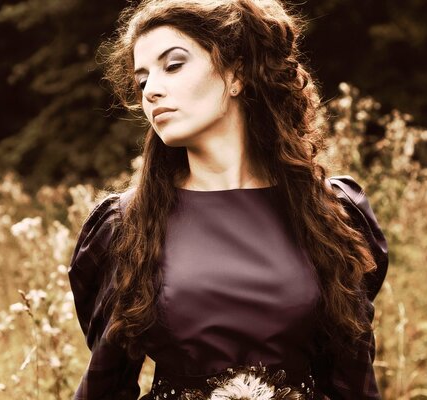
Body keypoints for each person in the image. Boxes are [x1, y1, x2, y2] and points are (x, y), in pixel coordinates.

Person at [68, 0, 389, 399]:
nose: (151, 90)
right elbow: (105, 386)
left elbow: (352, 382)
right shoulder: (126, 225)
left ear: (236, 73)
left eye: (173, 65)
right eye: (142, 79)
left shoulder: (330, 213)